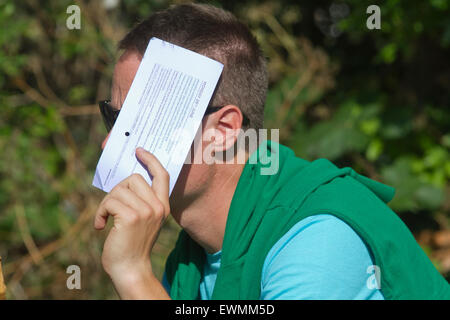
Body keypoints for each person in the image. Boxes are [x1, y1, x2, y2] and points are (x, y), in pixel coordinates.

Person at [94, 3, 450, 300]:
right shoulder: (190, 259)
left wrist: (134, 274)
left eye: (138, 121)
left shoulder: (317, 237)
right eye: (112, 117)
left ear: (222, 131)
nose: (108, 144)